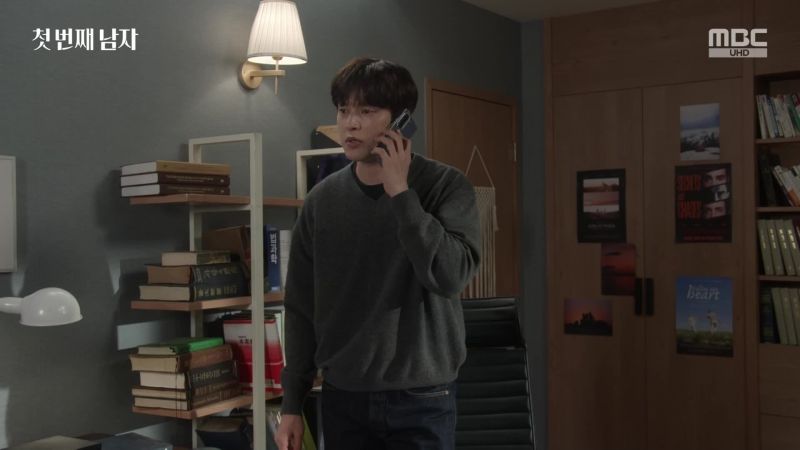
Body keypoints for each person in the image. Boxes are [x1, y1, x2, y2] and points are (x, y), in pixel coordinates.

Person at [275, 57, 481, 450]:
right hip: (343, 397)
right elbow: (300, 306)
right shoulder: (321, 201)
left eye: (366, 111)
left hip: (422, 398)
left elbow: (450, 276)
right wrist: (291, 404)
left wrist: (401, 194)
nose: (350, 123)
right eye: (343, 110)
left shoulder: (446, 186)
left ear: (401, 121)